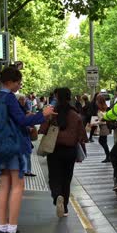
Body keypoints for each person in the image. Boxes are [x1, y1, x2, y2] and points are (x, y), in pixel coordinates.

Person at [0, 67, 55, 233]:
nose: (20, 84)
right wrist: (42, 114)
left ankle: (2, 228)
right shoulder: (9, 98)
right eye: (18, 81)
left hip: (1, 147)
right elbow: (22, 121)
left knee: (4, 186)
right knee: (18, 187)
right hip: (13, 146)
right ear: (10, 82)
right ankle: (12, 231)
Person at [39, 87, 87, 218]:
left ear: (57, 97)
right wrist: (82, 153)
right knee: (66, 179)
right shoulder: (75, 114)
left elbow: (42, 130)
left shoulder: (52, 113)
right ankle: (65, 207)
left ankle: (57, 196)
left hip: (54, 150)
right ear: (69, 97)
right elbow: (82, 135)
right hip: (70, 151)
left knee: (54, 177)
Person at [96, 95, 111, 163]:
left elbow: (104, 119)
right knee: (103, 141)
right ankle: (108, 156)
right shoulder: (102, 107)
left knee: (102, 141)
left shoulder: (105, 108)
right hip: (103, 126)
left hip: (104, 126)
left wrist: (96, 122)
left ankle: (108, 156)